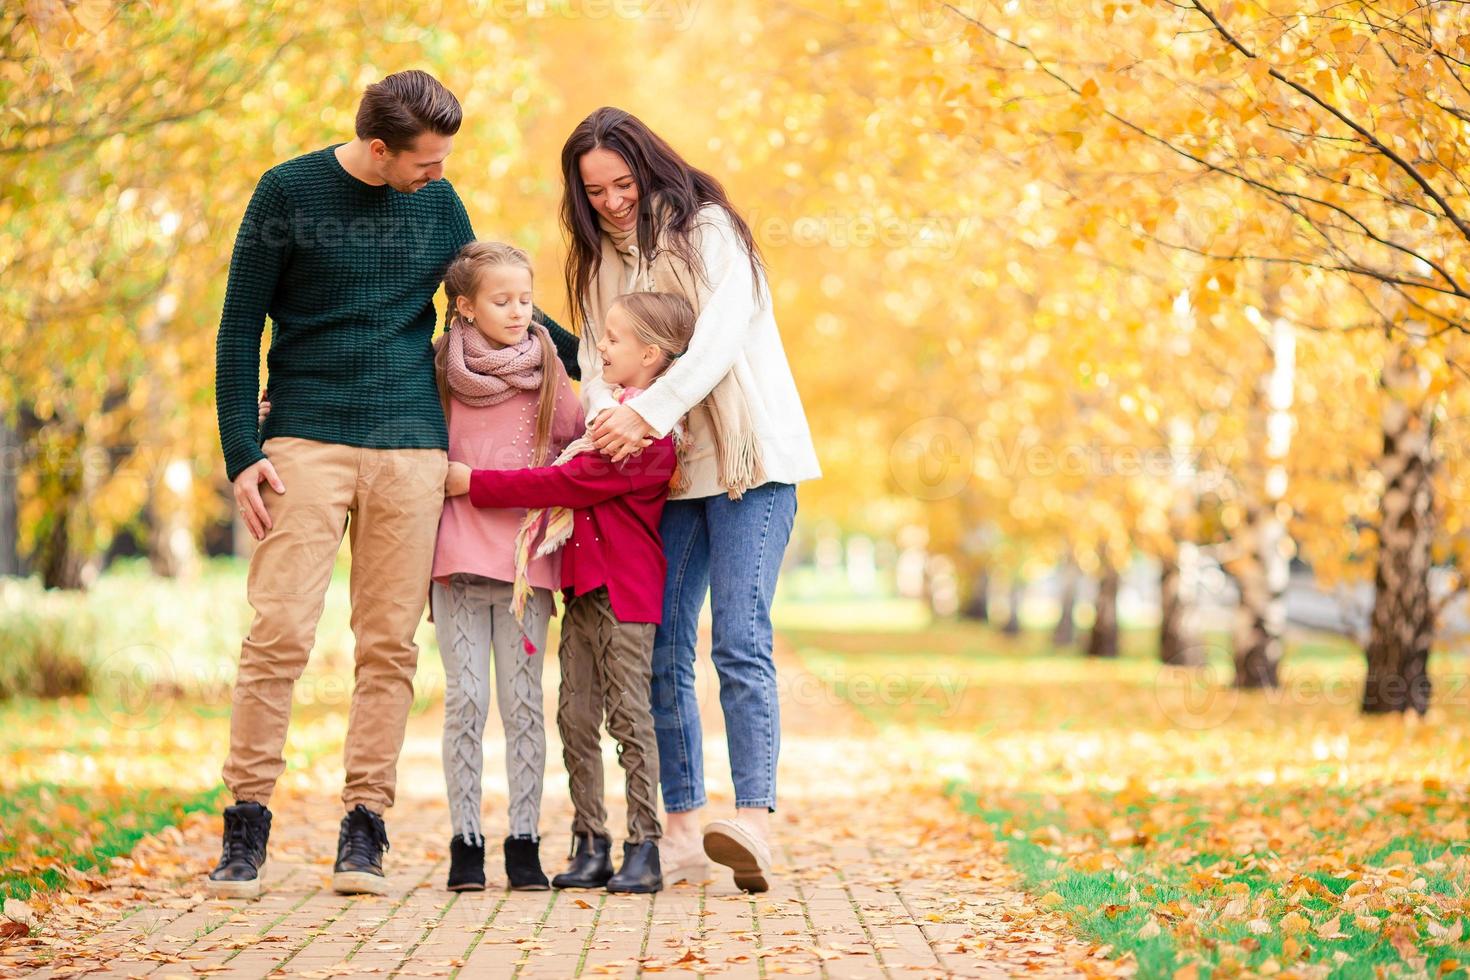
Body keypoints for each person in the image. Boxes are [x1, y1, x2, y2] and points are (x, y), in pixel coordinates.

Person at [208, 70, 577, 900]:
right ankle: (246, 828)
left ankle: (363, 829)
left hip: (414, 449)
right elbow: (238, 329)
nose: (440, 175)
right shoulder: (288, 191)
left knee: (388, 647)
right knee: (280, 636)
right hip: (304, 441)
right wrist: (241, 451)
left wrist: (621, 366)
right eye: (427, 161)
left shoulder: (440, 207)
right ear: (379, 149)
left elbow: (492, 302)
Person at [558, 107, 821, 893]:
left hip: (752, 463)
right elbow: (593, 357)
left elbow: (720, 337)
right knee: (663, 642)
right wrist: (609, 412)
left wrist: (648, 410)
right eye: (594, 190)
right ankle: (677, 828)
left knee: (739, 636)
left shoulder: (709, 232)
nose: (610, 201)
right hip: (667, 473)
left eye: (622, 183)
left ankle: (755, 824)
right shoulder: (602, 260)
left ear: (649, 168)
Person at [445, 291, 696, 894]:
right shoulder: (603, 420)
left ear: (651, 354)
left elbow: (568, 480)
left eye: (612, 340)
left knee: (630, 716)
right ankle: (591, 842)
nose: (600, 349)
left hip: (628, 589)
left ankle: (645, 844)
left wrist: (472, 483)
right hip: (584, 584)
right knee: (575, 715)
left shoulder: (646, 436)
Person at [427, 241, 582, 892]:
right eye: (502, 300)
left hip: (526, 570)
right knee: (466, 701)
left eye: (526, 298)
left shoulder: (549, 369)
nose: (520, 311)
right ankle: (466, 843)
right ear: (464, 307)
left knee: (522, 705)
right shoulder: (435, 372)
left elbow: (579, 446)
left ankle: (524, 843)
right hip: (457, 563)